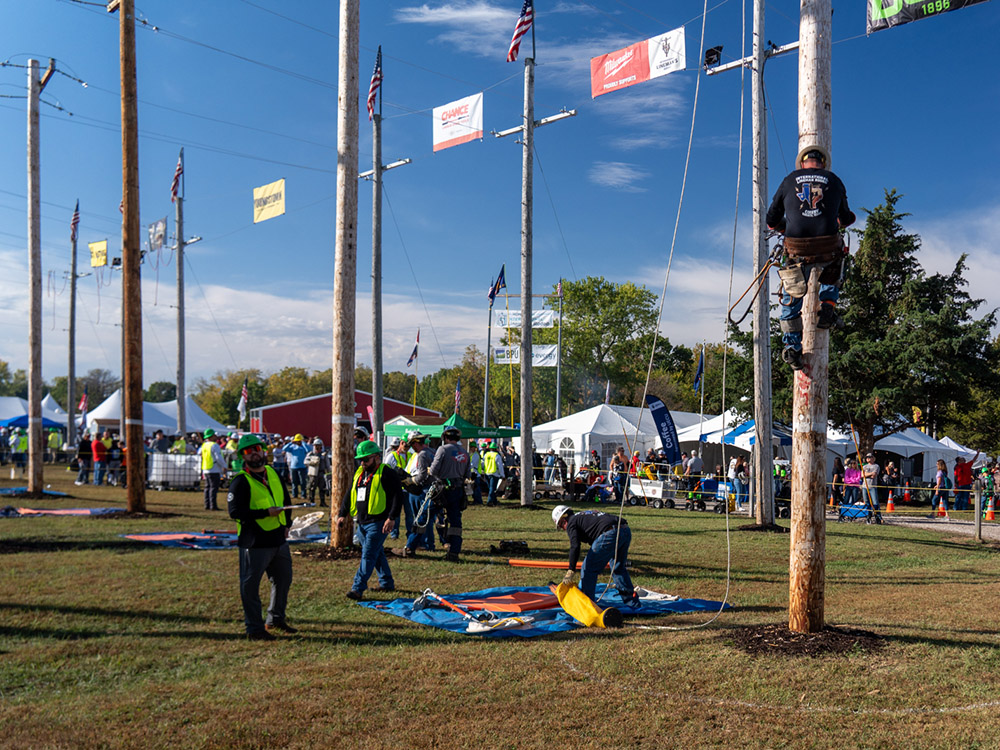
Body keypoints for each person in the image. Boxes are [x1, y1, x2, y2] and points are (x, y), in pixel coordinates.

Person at [766, 146, 856, 371]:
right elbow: (845, 218)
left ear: (802, 163)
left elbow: (771, 219)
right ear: (822, 163)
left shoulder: (789, 180)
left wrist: (785, 227)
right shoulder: (834, 180)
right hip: (827, 245)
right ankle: (827, 307)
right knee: (835, 263)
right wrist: (837, 220)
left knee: (791, 297)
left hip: (797, 248)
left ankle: (792, 348)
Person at [227, 434, 295, 641]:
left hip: (278, 539)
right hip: (254, 543)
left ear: (264, 450)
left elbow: (285, 499)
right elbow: (235, 512)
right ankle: (254, 628)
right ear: (243, 457)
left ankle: (275, 618)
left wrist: (286, 524)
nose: (254, 453)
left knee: (283, 580)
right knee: (250, 586)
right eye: (248, 451)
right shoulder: (240, 481)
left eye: (257, 448)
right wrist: (266, 513)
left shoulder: (273, 473)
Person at [336, 440, 402, 600]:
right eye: (361, 459)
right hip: (362, 523)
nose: (363, 462)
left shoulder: (387, 473)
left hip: (378, 523)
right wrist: (342, 514)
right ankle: (387, 583)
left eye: (366, 459)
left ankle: (357, 588)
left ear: (377, 457)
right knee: (377, 553)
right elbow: (349, 493)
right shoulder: (360, 473)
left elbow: (397, 497)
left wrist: (391, 518)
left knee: (368, 555)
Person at [552, 505, 637, 608]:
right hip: (625, 530)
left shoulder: (572, 523)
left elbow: (575, 546)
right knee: (618, 568)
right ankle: (633, 604)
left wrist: (571, 569)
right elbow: (595, 539)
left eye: (561, 527)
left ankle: (587, 607)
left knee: (588, 568)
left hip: (610, 533)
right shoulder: (583, 516)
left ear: (563, 521)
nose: (564, 529)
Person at [426, 426, 471, 562]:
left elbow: (433, 470)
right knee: (455, 521)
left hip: (442, 490)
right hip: (458, 490)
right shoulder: (465, 452)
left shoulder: (443, 449)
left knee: (426, 515)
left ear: (445, 438)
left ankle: (411, 546)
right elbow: (467, 474)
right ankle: (454, 551)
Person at [395, 432, 435, 557]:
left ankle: (423, 544)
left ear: (417, 443)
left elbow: (422, 475)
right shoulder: (431, 452)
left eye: (412, 444)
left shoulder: (422, 455)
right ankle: (426, 543)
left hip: (422, 489)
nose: (411, 446)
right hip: (429, 489)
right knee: (425, 518)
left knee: (421, 519)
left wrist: (411, 480)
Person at [200, 428, 226, 510]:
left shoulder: (204, 445)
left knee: (207, 488)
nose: (216, 437)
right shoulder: (214, 445)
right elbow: (218, 458)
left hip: (205, 468)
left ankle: (207, 505)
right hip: (214, 469)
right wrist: (224, 466)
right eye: (214, 435)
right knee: (213, 488)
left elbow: (199, 453)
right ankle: (213, 506)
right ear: (211, 436)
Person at [304, 438, 330, 507]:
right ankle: (311, 501)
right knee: (312, 488)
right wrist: (312, 462)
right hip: (313, 474)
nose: (317, 447)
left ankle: (322, 502)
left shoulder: (324, 454)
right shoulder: (310, 454)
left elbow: (327, 464)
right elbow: (305, 462)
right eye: (316, 445)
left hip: (321, 473)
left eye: (319, 445)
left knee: (322, 488)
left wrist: (329, 473)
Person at [282, 434, 309, 499]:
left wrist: (303, 443)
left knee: (303, 482)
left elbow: (308, 450)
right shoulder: (292, 447)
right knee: (294, 481)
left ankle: (303, 495)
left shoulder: (303, 447)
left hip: (302, 467)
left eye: (299, 441)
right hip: (293, 467)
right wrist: (291, 443)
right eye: (297, 441)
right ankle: (295, 494)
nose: (298, 442)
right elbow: (284, 448)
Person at [481, 441, 504, 507]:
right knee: (492, 488)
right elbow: (500, 466)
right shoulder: (497, 456)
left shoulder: (486, 455)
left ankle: (494, 501)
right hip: (494, 473)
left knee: (490, 488)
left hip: (487, 473)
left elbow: (482, 463)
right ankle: (490, 501)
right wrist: (502, 475)